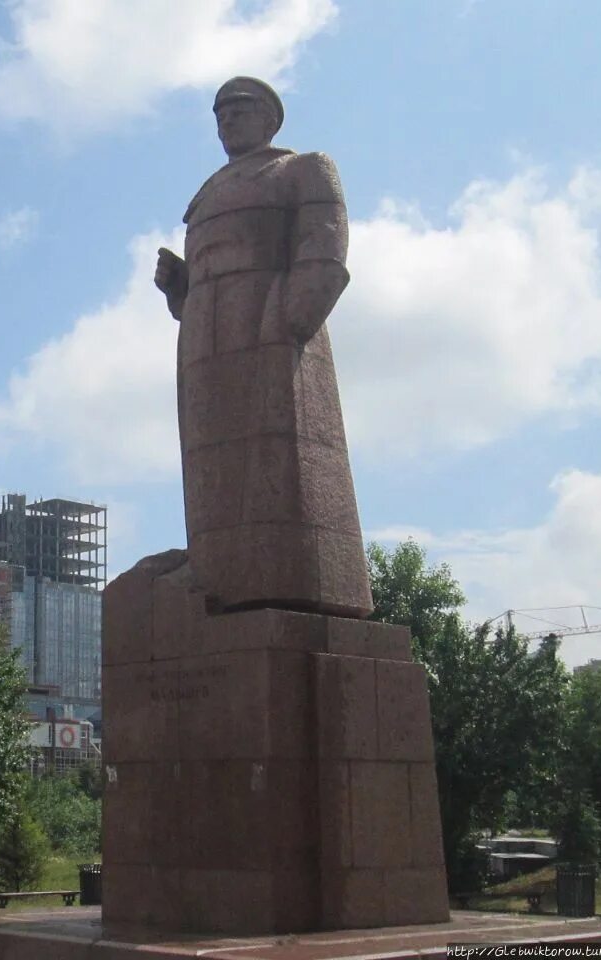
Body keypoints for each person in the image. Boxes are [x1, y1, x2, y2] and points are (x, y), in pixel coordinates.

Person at [154, 76, 373, 618]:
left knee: (277, 455)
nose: (227, 120)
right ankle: (219, 575)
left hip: (268, 321)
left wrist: (288, 320)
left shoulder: (302, 168)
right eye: (220, 113)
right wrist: (182, 288)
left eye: (240, 109)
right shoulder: (207, 192)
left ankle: (281, 578)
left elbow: (324, 250)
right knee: (210, 461)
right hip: (204, 335)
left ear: (271, 118)